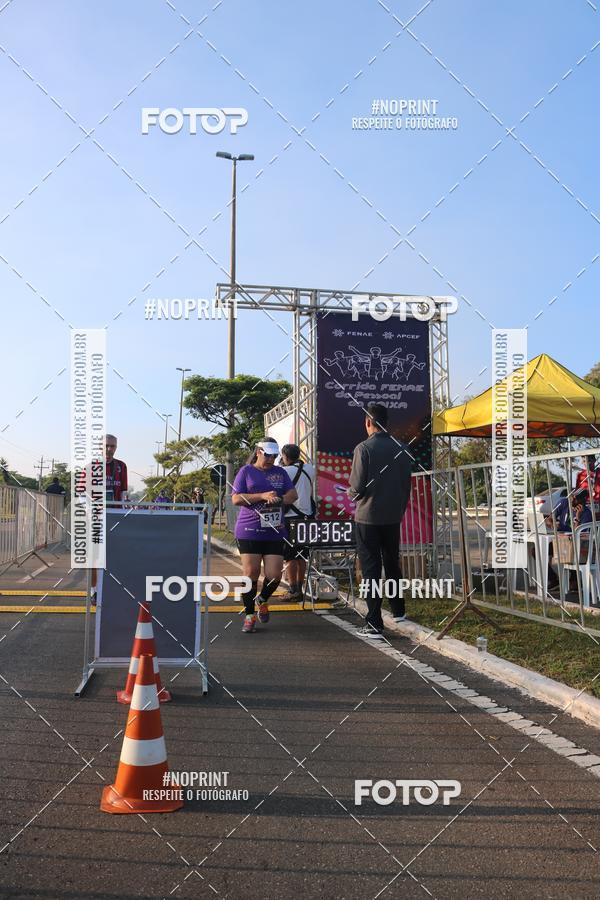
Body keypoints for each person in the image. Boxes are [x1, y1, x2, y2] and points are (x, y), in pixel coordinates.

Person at [348, 403, 412, 638]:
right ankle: (398, 610)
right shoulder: (403, 448)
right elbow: (406, 485)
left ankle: (374, 622)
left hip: (368, 518)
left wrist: (349, 493)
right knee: (392, 563)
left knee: (371, 569)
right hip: (393, 517)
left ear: (368, 422)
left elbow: (356, 489)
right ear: (387, 422)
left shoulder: (363, 449)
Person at [232, 438, 298, 633]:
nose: (271, 459)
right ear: (258, 451)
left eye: (274, 456)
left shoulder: (280, 472)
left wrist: (280, 500)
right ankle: (249, 615)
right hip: (249, 529)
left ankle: (261, 599)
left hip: (274, 530)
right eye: (267, 455)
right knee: (250, 574)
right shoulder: (246, 471)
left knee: (274, 575)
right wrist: (261, 496)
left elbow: (292, 495)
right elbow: (236, 498)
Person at [279, 444, 317, 602]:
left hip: (291, 518)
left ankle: (293, 588)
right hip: (307, 518)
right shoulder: (311, 469)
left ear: (285, 456)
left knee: (290, 556)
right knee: (302, 555)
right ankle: (300, 588)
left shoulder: (284, 471)